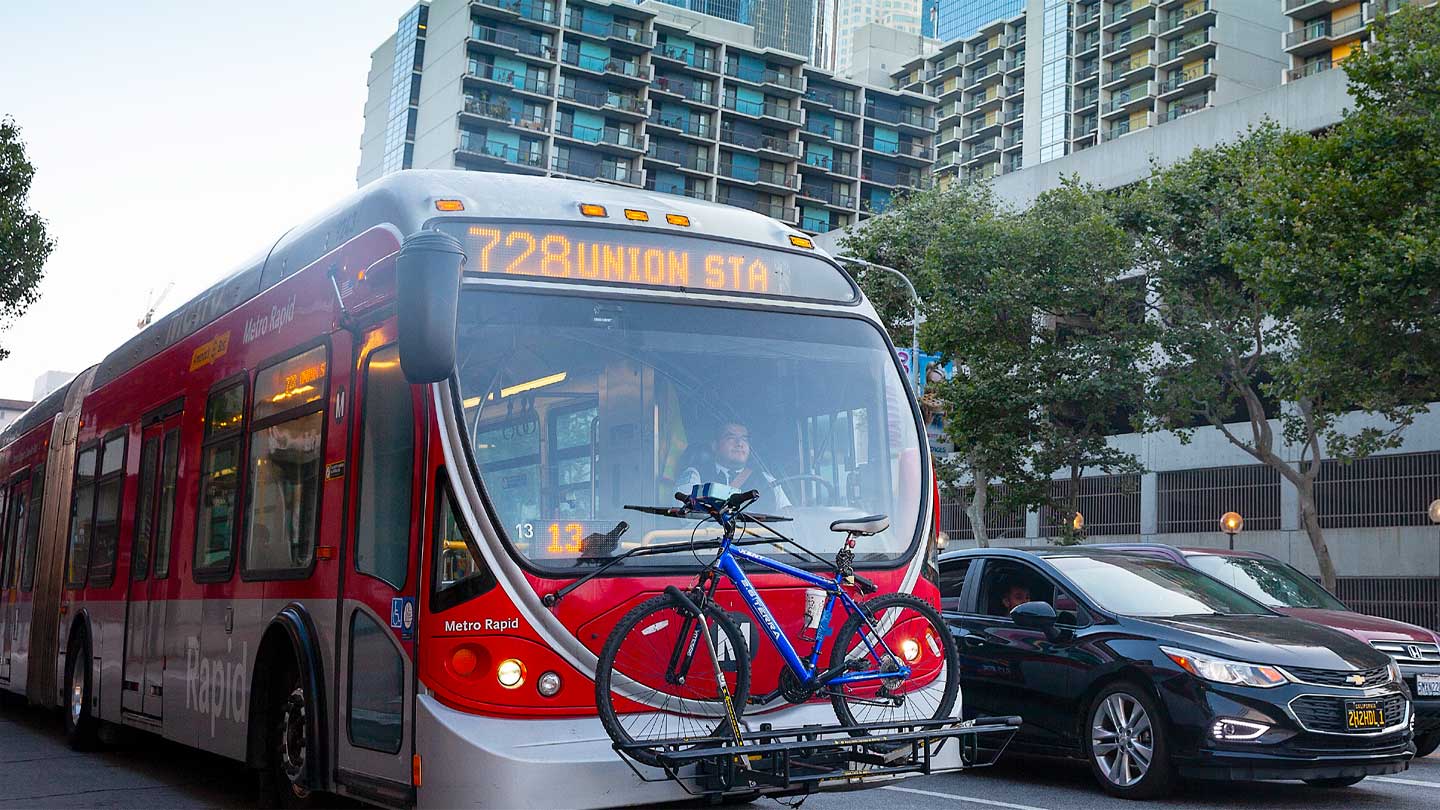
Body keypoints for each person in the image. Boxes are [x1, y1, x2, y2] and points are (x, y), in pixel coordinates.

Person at [678, 420, 791, 510]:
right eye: (731, 438)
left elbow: (789, 517)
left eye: (744, 439)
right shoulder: (695, 475)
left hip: (757, 539)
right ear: (714, 446)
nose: (739, 443)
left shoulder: (767, 480)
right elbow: (684, 516)